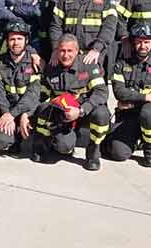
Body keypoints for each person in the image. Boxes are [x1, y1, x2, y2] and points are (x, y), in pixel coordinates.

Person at [33, 35, 110, 171]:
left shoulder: (89, 65)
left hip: (85, 111)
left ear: (77, 51)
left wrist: (81, 110)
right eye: (62, 51)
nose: (65, 55)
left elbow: (101, 92)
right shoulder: (52, 68)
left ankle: (93, 154)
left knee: (102, 113)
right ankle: (45, 144)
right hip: (64, 115)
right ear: (57, 51)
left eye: (70, 51)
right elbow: (42, 95)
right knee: (64, 147)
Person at [104, 22, 151, 167]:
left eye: (147, 42)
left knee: (148, 112)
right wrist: (146, 97)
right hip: (129, 116)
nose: (143, 46)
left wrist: (132, 100)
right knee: (117, 153)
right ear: (133, 43)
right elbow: (119, 92)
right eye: (139, 42)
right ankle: (137, 140)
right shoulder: (121, 64)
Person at [0, 20, 42, 158]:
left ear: (27, 40)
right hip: (8, 110)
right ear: (7, 41)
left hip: (29, 111)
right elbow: (0, 94)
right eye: (12, 39)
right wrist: (7, 115)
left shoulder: (35, 63)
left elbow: (33, 95)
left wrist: (22, 114)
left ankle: (39, 147)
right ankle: (12, 140)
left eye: (20, 38)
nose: (16, 43)